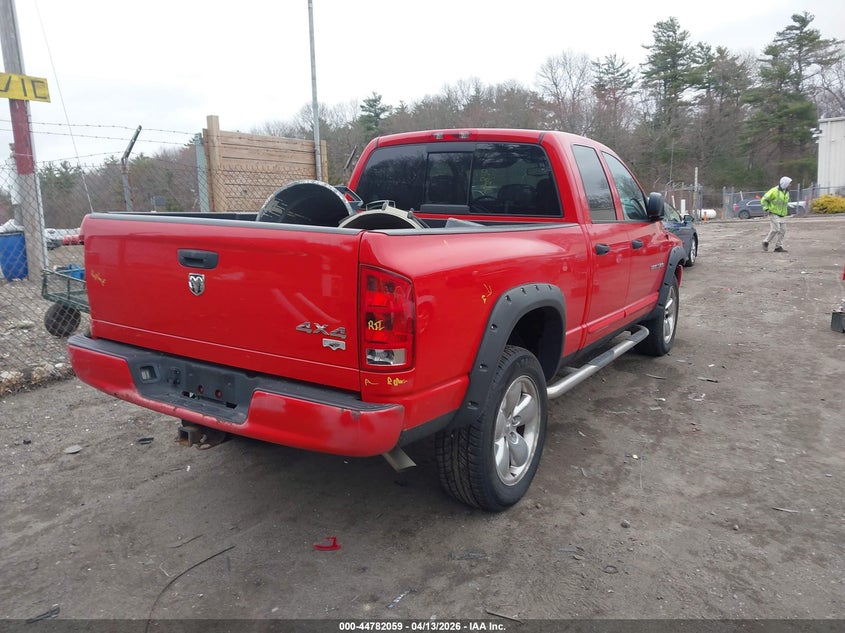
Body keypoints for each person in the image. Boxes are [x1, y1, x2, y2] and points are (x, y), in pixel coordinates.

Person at [761, 176, 792, 252]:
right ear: (785, 183)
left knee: (783, 230)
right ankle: (766, 242)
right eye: (789, 183)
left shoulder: (786, 192)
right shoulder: (774, 191)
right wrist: (766, 209)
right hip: (773, 213)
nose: (790, 185)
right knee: (776, 229)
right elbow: (764, 199)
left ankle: (778, 247)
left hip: (782, 215)